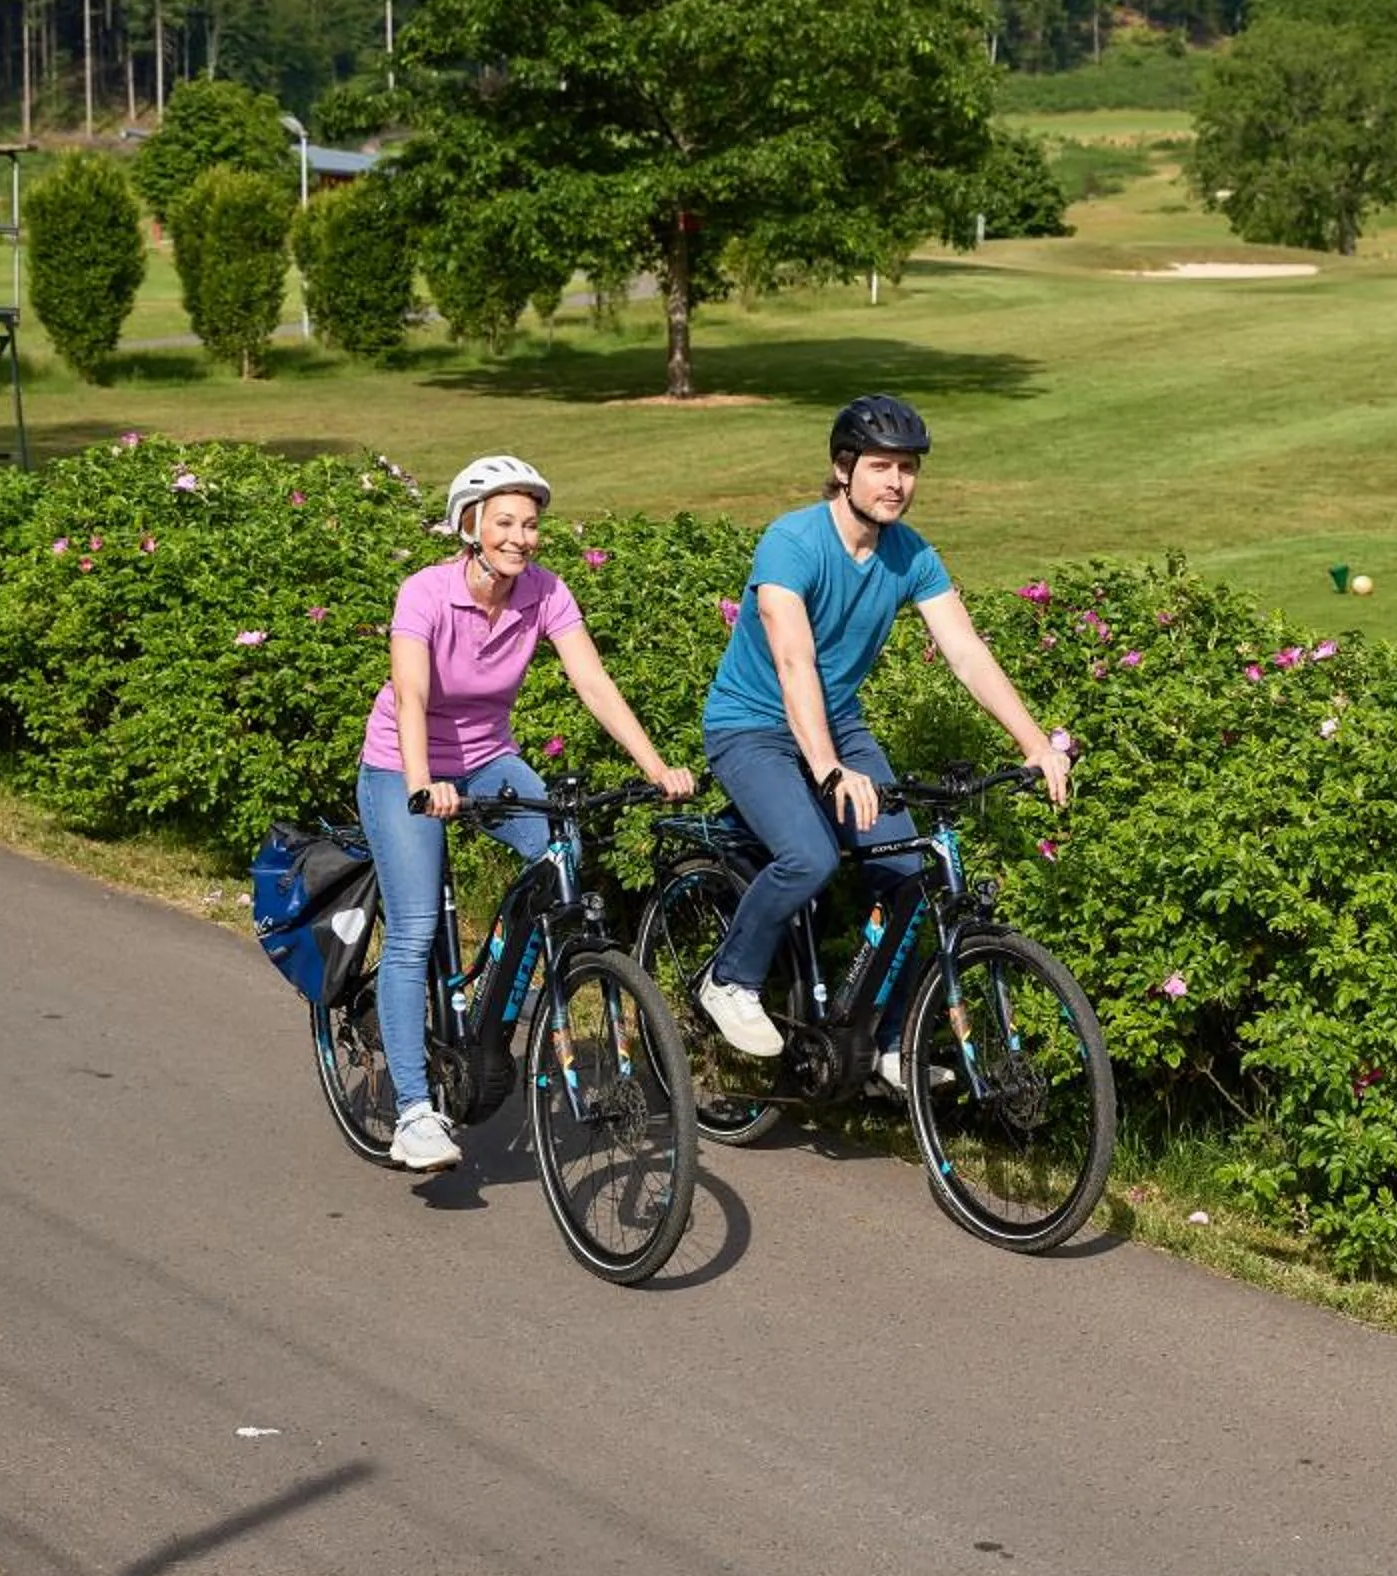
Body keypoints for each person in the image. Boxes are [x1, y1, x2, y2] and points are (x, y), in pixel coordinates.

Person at [693, 395, 1071, 1093]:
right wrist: (829, 768)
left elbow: (965, 651)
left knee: (906, 872)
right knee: (807, 857)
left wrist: (1034, 742)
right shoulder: (793, 542)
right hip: (752, 725)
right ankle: (731, 978)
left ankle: (891, 1042)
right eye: (880, 467)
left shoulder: (910, 553)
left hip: (839, 724)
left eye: (908, 468)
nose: (896, 482)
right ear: (843, 469)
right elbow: (793, 663)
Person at [358, 454, 694, 1173]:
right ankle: (415, 1112)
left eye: (531, 523)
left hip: (488, 758)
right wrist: (421, 782)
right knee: (415, 927)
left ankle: (511, 1005)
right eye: (505, 522)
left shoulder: (545, 593)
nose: (521, 537)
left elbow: (592, 681)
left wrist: (654, 764)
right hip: (403, 763)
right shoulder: (424, 592)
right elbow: (411, 695)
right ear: (470, 526)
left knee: (559, 858)